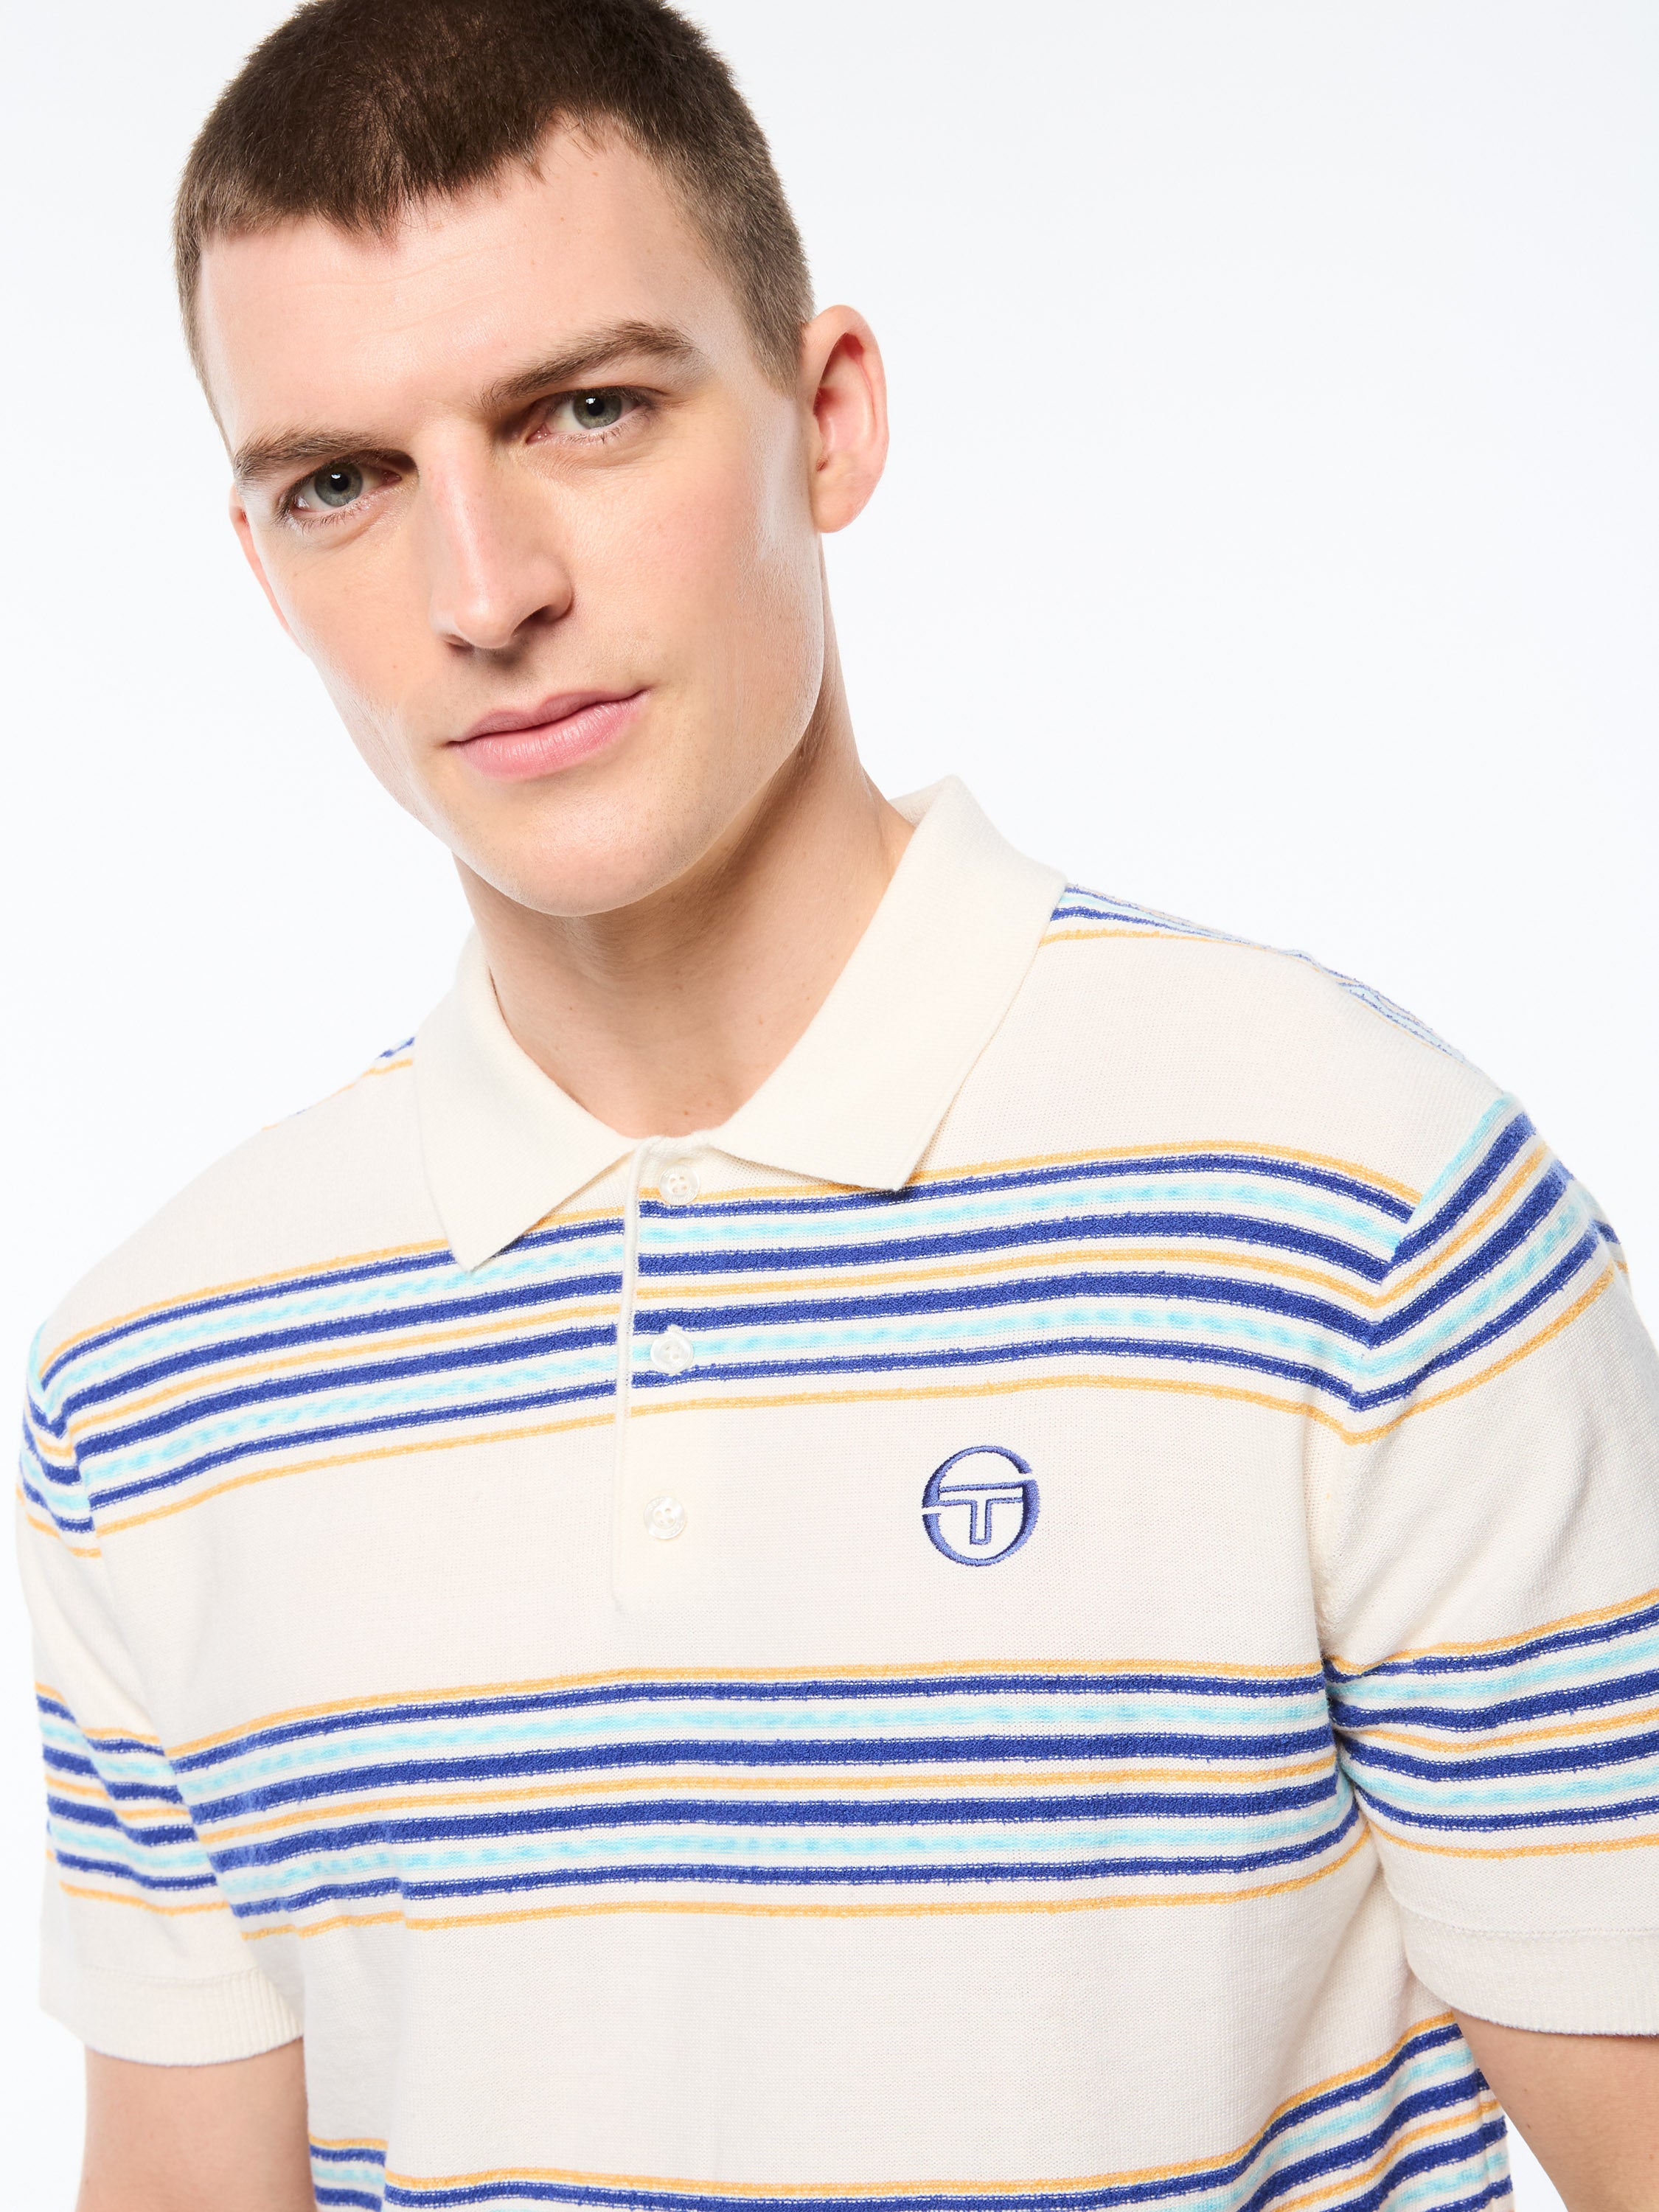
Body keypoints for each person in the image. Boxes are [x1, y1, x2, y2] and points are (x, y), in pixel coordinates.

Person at [17, 0, 1658, 2205]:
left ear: (828, 418)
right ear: (258, 561)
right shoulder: (153, 1383)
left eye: (588, 410)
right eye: (343, 483)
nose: (482, 593)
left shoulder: (1357, 1209)